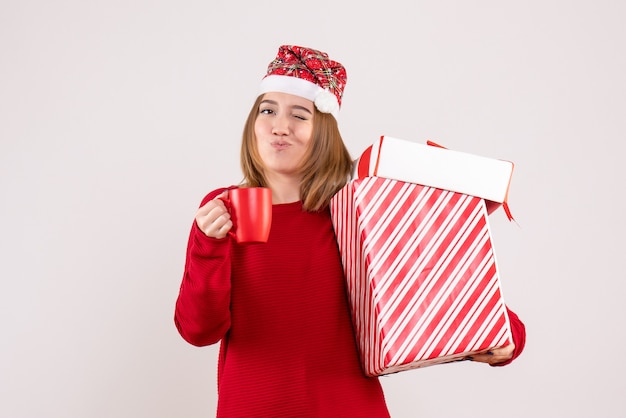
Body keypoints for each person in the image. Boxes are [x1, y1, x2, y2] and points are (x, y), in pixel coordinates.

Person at [174, 45, 526, 417]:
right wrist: (207, 243)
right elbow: (199, 330)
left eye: (300, 115)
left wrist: (508, 339)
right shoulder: (223, 209)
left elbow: (437, 282)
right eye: (268, 110)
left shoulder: (354, 207)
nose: (280, 125)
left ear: (323, 131)